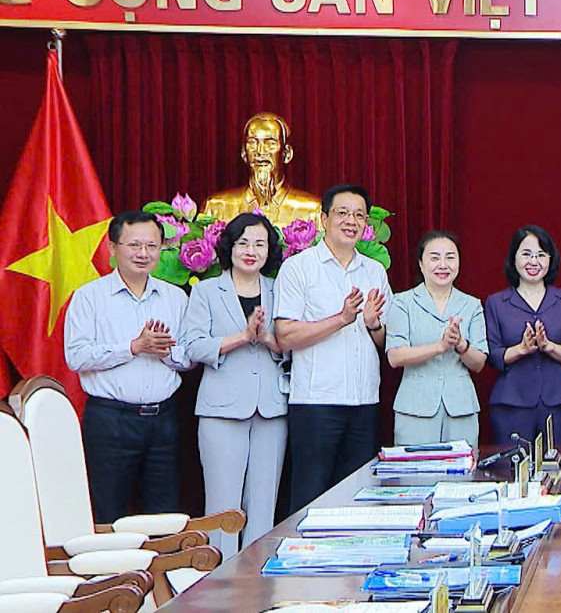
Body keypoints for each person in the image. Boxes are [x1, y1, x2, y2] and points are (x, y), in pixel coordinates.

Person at [64, 210, 190, 523]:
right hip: (111, 421)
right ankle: (113, 574)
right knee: (109, 512)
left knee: (165, 514)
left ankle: (160, 573)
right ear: (112, 248)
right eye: (134, 245)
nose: (143, 254)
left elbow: (189, 357)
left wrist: (163, 352)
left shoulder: (175, 297)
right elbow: (76, 356)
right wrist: (133, 348)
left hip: (165, 419)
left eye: (152, 246)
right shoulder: (89, 297)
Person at [274, 184, 391, 510]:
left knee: (358, 499)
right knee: (311, 499)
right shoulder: (299, 268)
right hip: (316, 403)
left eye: (358, 215)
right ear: (324, 218)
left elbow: (385, 343)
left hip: (364, 401)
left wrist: (372, 324)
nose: (350, 221)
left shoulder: (375, 271)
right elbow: (285, 335)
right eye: (342, 213)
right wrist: (340, 319)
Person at [181, 212, 288, 555]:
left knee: (263, 501)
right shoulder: (208, 291)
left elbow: (291, 347)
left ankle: (255, 581)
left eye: (260, 244)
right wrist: (242, 336)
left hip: (271, 408)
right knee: (222, 504)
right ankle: (219, 581)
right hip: (221, 409)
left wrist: (268, 339)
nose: (251, 251)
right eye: (243, 243)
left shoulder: (279, 290)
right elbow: (193, 346)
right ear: (230, 246)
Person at [484, 225, 561, 449]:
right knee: (514, 472)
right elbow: (492, 354)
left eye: (541, 255)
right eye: (526, 254)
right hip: (511, 403)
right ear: (514, 258)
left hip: (557, 402)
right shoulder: (496, 302)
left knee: (557, 471)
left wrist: (548, 346)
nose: (533, 261)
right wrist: (521, 349)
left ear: (550, 259)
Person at [386, 231, 488, 447]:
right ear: (421, 265)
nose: (443, 264)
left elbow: (479, 363)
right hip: (415, 409)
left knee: (461, 477)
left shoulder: (472, 305)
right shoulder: (402, 302)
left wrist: (461, 344)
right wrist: (439, 346)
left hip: (461, 409)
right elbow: (395, 356)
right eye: (435, 257)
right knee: (415, 476)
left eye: (450, 257)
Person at [202, 112, 322, 228]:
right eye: (252, 142)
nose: (260, 151)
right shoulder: (216, 207)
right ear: (244, 154)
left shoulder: (312, 210)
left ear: (286, 154)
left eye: (270, 143)